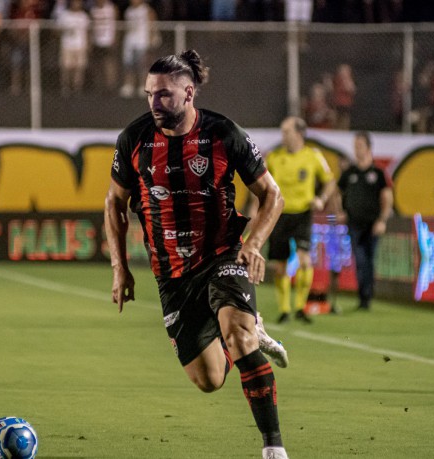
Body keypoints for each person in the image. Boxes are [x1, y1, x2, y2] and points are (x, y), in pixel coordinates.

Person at [104, 50, 290, 459]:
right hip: (171, 272)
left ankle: (273, 447)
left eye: (164, 95)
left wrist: (253, 244)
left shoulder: (224, 133)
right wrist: (121, 269)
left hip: (223, 253)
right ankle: (244, 331)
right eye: (150, 94)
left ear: (189, 93)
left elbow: (272, 195)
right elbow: (114, 204)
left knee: (239, 339)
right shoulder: (133, 139)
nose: (155, 103)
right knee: (208, 380)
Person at [266, 116, 336, 324]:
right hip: (280, 214)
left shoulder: (313, 156)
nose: (283, 136)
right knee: (280, 266)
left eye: (286, 131)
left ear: (299, 133)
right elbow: (261, 186)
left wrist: (321, 199)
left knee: (305, 260)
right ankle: (285, 309)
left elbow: (329, 181)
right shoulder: (274, 157)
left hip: (303, 213)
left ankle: (300, 307)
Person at [337, 131, 393, 310]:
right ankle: (364, 296)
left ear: (368, 148)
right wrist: (340, 211)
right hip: (354, 223)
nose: (356, 150)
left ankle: (366, 295)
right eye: (355, 146)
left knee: (368, 259)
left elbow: (387, 198)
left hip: (372, 224)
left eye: (360, 146)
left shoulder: (378, 173)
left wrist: (382, 220)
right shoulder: (349, 173)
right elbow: (337, 192)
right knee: (360, 259)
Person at [119, 0, 156, 98]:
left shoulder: (146, 10)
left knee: (142, 65)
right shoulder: (128, 11)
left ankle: (142, 85)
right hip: (130, 41)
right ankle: (129, 85)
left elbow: (152, 25)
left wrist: (151, 39)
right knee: (128, 64)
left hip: (142, 41)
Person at [56, 0, 90, 96]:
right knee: (66, 67)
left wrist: (88, 45)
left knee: (79, 67)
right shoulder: (64, 15)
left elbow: (87, 32)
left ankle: (77, 87)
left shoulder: (84, 16)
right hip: (67, 45)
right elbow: (57, 31)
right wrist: (65, 31)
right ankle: (66, 87)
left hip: (80, 45)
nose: (76, 4)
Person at [89, 0, 119, 92]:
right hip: (97, 41)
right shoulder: (93, 10)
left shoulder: (111, 8)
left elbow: (117, 23)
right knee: (97, 64)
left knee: (109, 63)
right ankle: (98, 85)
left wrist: (115, 38)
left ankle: (110, 86)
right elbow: (91, 26)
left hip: (108, 40)